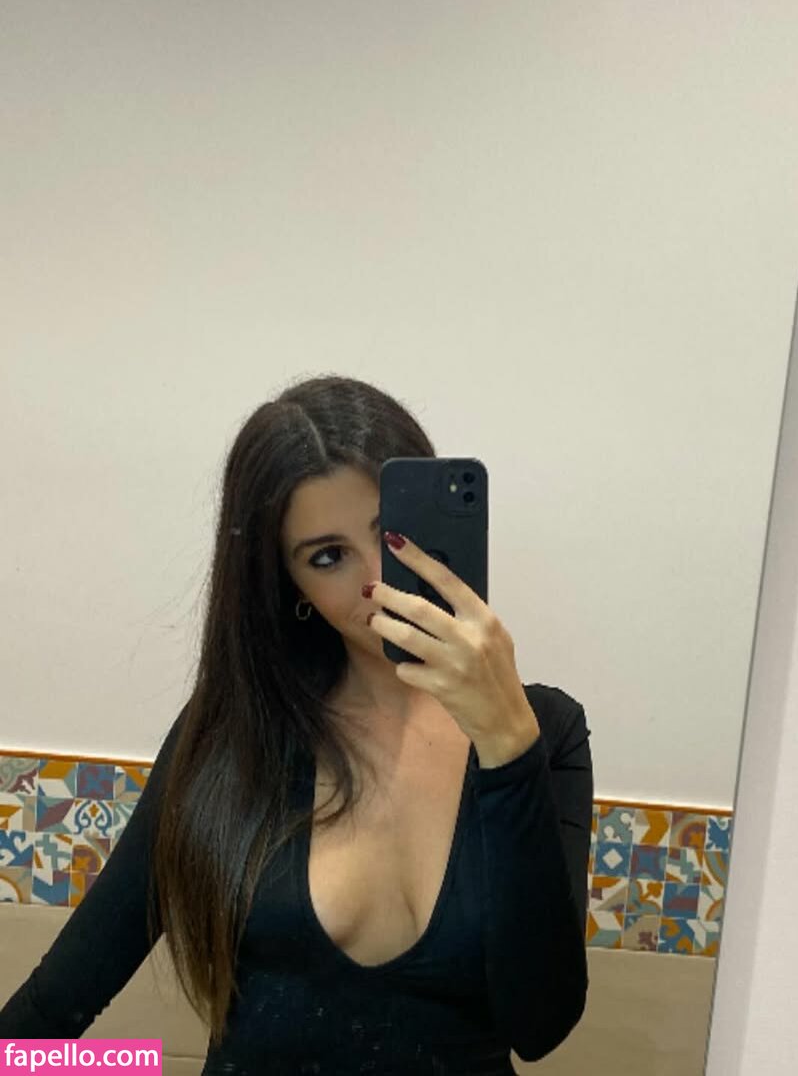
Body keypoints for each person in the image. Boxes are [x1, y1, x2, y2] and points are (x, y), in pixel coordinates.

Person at [0, 374, 594, 1074]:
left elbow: (541, 1024)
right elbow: (57, 1004)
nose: (377, 580)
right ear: (291, 585)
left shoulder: (544, 731)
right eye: (328, 556)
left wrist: (507, 746)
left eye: (391, 534)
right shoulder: (232, 735)